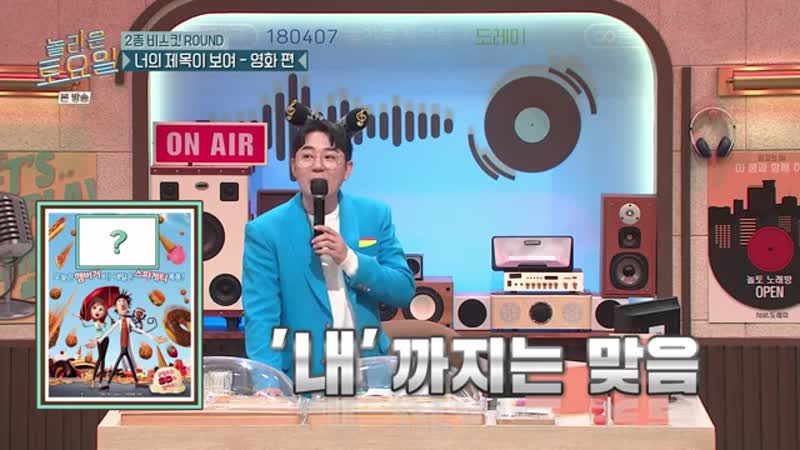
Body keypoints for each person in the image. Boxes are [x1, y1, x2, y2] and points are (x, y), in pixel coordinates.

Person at [242, 109, 415, 384]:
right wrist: (270, 383)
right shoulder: (265, 231)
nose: (318, 166)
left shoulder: (374, 215)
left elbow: (403, 290)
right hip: (303, 378)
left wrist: (350, 259)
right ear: (293, 166)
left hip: (369, 377)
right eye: (307, 156)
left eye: (330, 157)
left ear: (347, 169)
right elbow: (261, 317)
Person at [96, 290, 167, 389]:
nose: (122, 304)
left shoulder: (129, 320)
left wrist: (153, 337)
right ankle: (109, 383)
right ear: (116, 308)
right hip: (122, 348)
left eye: (124, 302)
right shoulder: (119, 322)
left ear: (128, 306)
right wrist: (100, 339)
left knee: (128, 365)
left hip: (126, 348)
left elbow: (137, 329)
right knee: (117, 365)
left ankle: (134, 382)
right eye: (119, 302)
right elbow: (109, 331)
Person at [75, 286, 115, 387]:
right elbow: (85, 325)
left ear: (105, 311)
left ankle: (100, 380)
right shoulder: (94, 323)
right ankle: (93, 379)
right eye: (95, 308)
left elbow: (108, 331)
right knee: (100, 358)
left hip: (106, 339)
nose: (97, 311)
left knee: (103, 359)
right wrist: (81, 319)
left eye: (101, 309)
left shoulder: (104, 322)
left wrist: (112, 323)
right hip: (98, 340)